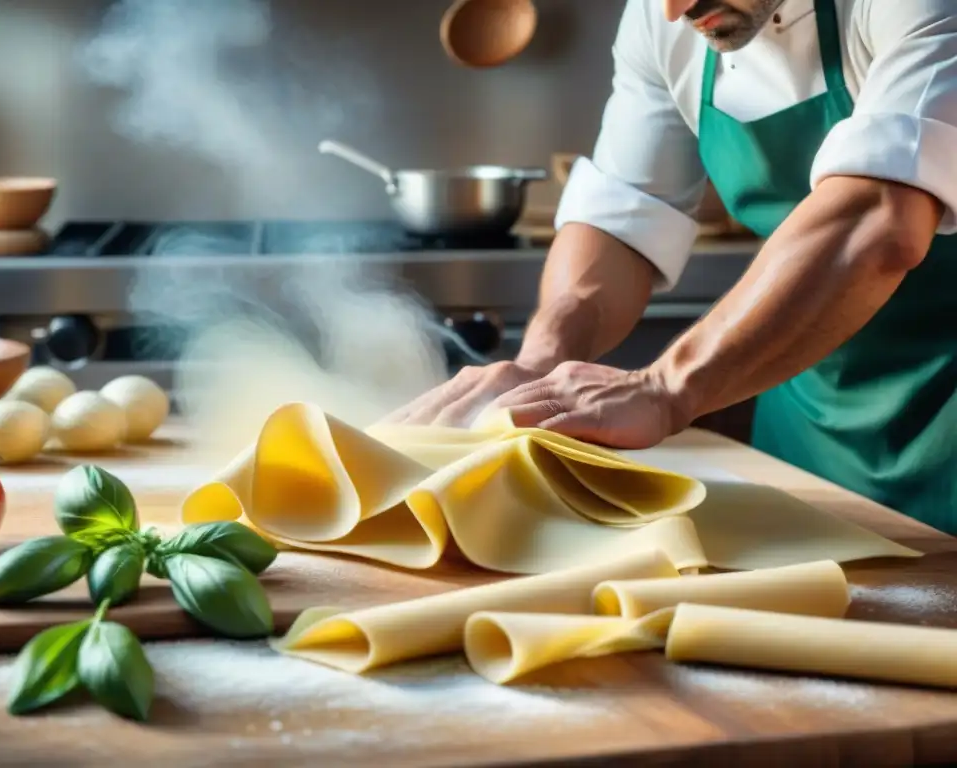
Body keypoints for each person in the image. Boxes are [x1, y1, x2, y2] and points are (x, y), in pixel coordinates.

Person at [383, 0, 957, 531]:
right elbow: (622, 218)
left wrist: (665, 388)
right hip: (810, 431)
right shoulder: (662, 16)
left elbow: (880, 217)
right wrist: (540, 366)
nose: (675, 10)